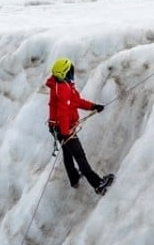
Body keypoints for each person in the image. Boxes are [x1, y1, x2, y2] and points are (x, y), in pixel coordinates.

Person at [46, 58, 115, 195]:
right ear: (65, 73)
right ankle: (98, 184)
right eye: (70, 70)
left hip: (58, 128)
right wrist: (66, 132)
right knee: (80, 156)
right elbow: (63, 113)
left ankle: (74, 178)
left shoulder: (61, 85)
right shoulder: (63, 89)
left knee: (68, 153)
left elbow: (76, 101)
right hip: (64, 129)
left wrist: (93, 106)